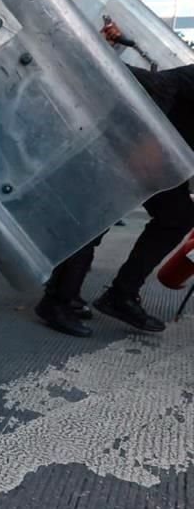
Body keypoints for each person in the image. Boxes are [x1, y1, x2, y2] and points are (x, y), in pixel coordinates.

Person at [35, 20, 194, 337]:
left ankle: (120, 295)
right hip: (134, 145)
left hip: (164, 159)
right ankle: (57, 300)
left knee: (177, 216)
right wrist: (148, 141)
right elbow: (160, 84)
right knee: (97, 218)